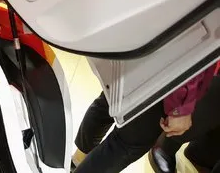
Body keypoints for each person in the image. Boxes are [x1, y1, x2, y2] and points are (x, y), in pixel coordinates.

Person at [72, 65, 218, 173]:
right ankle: (79, 162)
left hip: (141, 52)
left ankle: (78, 159)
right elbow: (193, 39)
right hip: (169, 77)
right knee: (122, 146)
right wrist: (181, 107)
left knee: (107, 106)